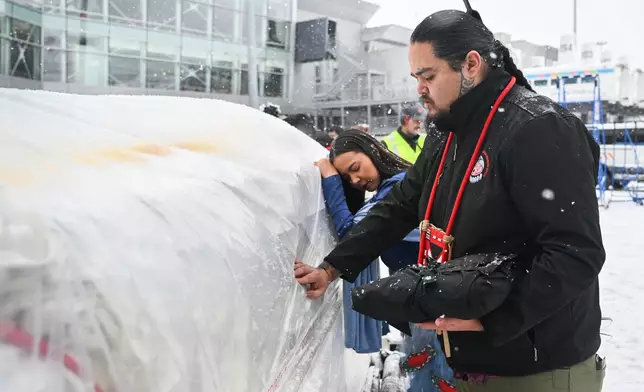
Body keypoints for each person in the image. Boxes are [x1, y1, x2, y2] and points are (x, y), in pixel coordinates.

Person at [295, 8, 605, 392]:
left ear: (471, 65)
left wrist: (495, 318)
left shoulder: (538, 128)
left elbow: (575, 253)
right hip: (468, 362)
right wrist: (332, 267)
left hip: (535, 369)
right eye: (416, 78)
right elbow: (401, 206)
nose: (419, 89)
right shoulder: (448, 132)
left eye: (429, 76)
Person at [299, 129, 454, 390]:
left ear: (372, 151)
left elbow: (353, 233)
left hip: (434, 300)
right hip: (426, 297)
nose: (356, 179)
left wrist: (331, 179)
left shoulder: (398, 188)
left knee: (434, 375)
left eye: (356, 168)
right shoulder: (395, 185)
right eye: (348, 177)